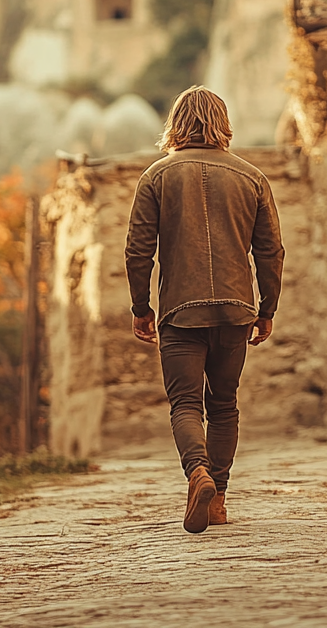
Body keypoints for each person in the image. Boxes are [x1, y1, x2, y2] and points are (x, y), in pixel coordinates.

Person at [124, 86, 285, 534]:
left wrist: (141, 306)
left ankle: (198, 474)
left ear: (176, 122)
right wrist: (266, 308)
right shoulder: (252, 177)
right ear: (222, 122)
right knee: (225, 404)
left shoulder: (157, 176)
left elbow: (138, 250)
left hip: (181, 311)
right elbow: (271, 251)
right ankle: (218, 500)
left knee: (185, 404)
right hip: (236, 310)